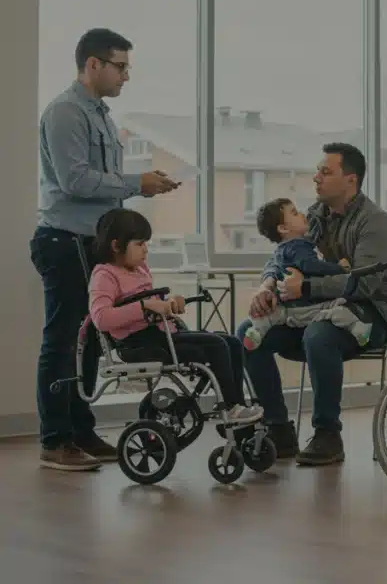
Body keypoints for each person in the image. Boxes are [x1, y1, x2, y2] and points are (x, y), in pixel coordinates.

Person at [31, 28, 179, 471]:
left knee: (90, 342)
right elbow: (75, 180)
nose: (126, 76)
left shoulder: (101, 116)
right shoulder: (65, 112)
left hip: (90, 245)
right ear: (93, 64)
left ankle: (81, 432)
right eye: (120, 66)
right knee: (63, 342)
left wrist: (140, 185)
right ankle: (56, 440)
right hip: (64, 242)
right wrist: (137, 183)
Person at [237, 143, 387, 466]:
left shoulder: (375, 222)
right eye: (317, 171)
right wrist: (267, 285)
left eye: (325, 172)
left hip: (367, 318)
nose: (316, 178)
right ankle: (279, 429)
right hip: (312, 312)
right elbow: (281, 254)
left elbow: (366, 285)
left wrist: (307, 286)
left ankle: (328, 434)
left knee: (319, 335)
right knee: (247, 333)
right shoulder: (313, 216)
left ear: (350, 180)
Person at [88, 209, 263, 426]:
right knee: (217, 345)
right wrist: (145, 306)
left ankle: (237, 406)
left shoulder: (140, 270)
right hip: (139, 343)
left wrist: (170, 302)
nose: (146, 249)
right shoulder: (104, 275)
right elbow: (101, 318)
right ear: (116, 246)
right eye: (140, 244)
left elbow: (151, 303)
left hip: (163, 335)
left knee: (233, 343)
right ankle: (230, 407)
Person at [241, 198, 373, 351]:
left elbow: (275, 267)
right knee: (337, 308)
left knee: (269, 318)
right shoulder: (299, 246)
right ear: (283, 228)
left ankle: (257, 331)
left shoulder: (281, 249)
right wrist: (339, 269)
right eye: (295, 213)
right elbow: (313, 266)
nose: (302, 214)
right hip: (308, 306)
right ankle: (358, 328)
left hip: (287, 308)